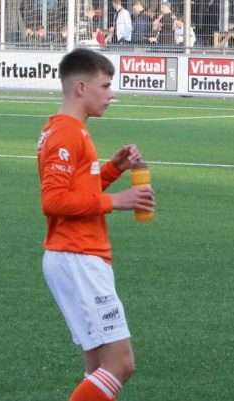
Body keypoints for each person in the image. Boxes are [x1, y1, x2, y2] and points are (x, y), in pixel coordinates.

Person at [37, 48, 155, 401]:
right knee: (120, 364)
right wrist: (117, 201)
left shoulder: (73, 130)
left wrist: (112, 170)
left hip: (80, 255)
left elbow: (78, 190)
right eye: (105, 86)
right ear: (81, 88)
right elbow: (53, 201)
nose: (111, 94)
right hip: (77, 256)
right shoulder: (66, 134)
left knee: (98, 368)